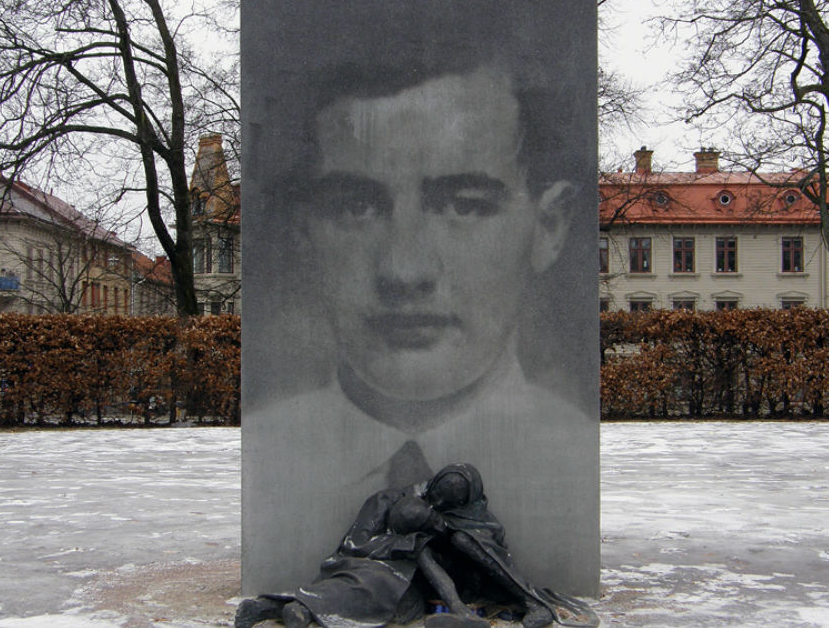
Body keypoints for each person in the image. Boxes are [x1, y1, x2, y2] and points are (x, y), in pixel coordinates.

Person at [246, 59, 598, 594]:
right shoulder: (274, 456)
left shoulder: (568, 455)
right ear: (303, 234)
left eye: (464, 205)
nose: (404, 270)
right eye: (356, 206)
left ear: (547, 227)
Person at [236, 464, 597, 628]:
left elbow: (491, 538)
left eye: (451, 505)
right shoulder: (388, 500)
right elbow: (354, 543)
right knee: (361, 590)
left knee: (407, 602)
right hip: (378, 567)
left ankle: (528, 601)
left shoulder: (463, 515)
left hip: (423, 581)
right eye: (438, 499)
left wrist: (451, 535)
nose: (441, 507)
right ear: (431, 487)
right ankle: (278, 607)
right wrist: (405, 542)